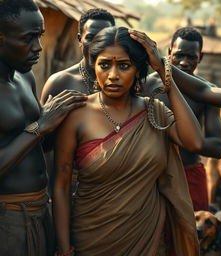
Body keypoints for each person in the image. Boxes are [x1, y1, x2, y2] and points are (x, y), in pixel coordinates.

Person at [53, 26, 203, 256]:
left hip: (146, 239)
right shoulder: (76, 115)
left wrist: (163, 70)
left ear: (138, 69)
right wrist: (64, 249)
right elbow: (61, 186)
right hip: (91, 238)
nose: (113, 74)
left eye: (124, 65)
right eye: (105, 64)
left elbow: (194, 143)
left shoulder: (154, 112)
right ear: (93, 66)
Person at [0, 1, 87, 255]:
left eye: (39, 36)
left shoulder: (24, 76)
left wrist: (66, 119)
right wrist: (41, 126)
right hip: (8, 218)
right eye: (28, 38)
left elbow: (35, 143)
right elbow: (37, 131)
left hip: (41, 208)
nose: (38, 47)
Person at [143, 27, 221, 211]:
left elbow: (218, 147)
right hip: (149, 174)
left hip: (189, 174)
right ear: (169, 52)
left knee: (195, 234)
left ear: (200, 57)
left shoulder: (208, 92)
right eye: (179, 55)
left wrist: (184, 138)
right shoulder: (146, 86)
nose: (184, 62)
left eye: (191, 57)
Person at [40, 8, 115, 103]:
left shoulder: (125, 81)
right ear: (80, 39)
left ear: (113, 40)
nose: (97, 44)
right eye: (90, 37)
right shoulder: (60, 82)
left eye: (104, 37)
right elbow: (45, 117)